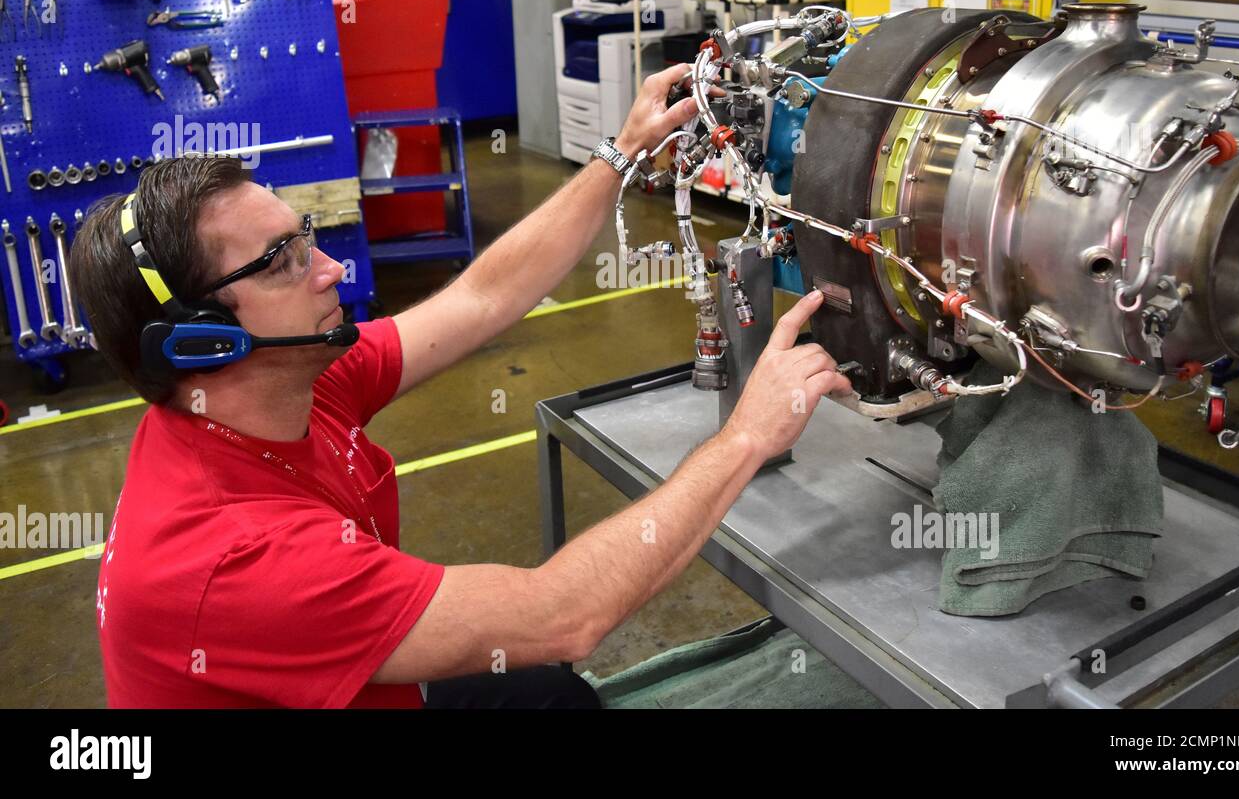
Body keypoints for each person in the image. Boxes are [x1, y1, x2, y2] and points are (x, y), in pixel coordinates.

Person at [70, 64, 851, 708]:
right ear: (203, 339)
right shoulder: (233, 563)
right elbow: (564, 614)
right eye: (280, 262)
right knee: (550, 657)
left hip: (371, 686)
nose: (332, 269)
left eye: (302, 238)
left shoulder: (279, 381)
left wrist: (621, 152)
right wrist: (746, 435)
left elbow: (482, 298)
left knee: (551, 695)